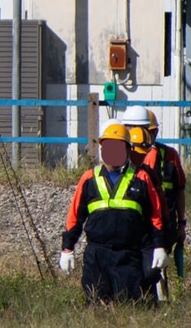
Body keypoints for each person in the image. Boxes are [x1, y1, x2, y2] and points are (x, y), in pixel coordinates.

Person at [60, 121, 166, 303]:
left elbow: (155, 215)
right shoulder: (89, 178)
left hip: (129, 255)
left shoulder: (141, 178)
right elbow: (75, 216)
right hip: (97, 255)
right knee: (96, 303)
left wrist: (159, 246)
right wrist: (67, 249)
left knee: (128, 303)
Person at [125, 106, 189, 278]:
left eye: (151, 131)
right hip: (136, 223)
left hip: (163, 222)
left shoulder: (169, 155)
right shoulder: (123, 157)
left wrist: (181, 224)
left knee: (156, 268)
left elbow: (179, 190)